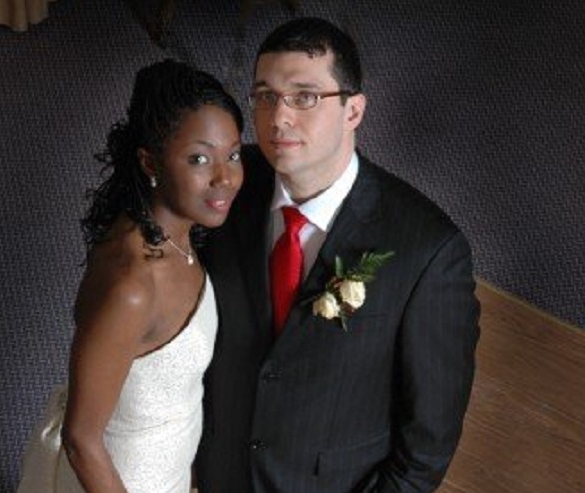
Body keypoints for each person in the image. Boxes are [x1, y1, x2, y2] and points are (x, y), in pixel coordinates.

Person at [195, 17, 480, 493]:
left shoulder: (428, 252)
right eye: (265, 96)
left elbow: (427, 444)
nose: (278, 118)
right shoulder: (229, 189)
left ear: (353, 111)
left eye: (305, 97)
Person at [16, 59, 244, 493]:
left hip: (173, 462)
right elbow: (82, 441)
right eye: (199, 159)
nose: (225, 177)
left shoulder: (176, 232)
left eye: (232, 154)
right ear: (150, 163)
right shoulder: (132, 288)